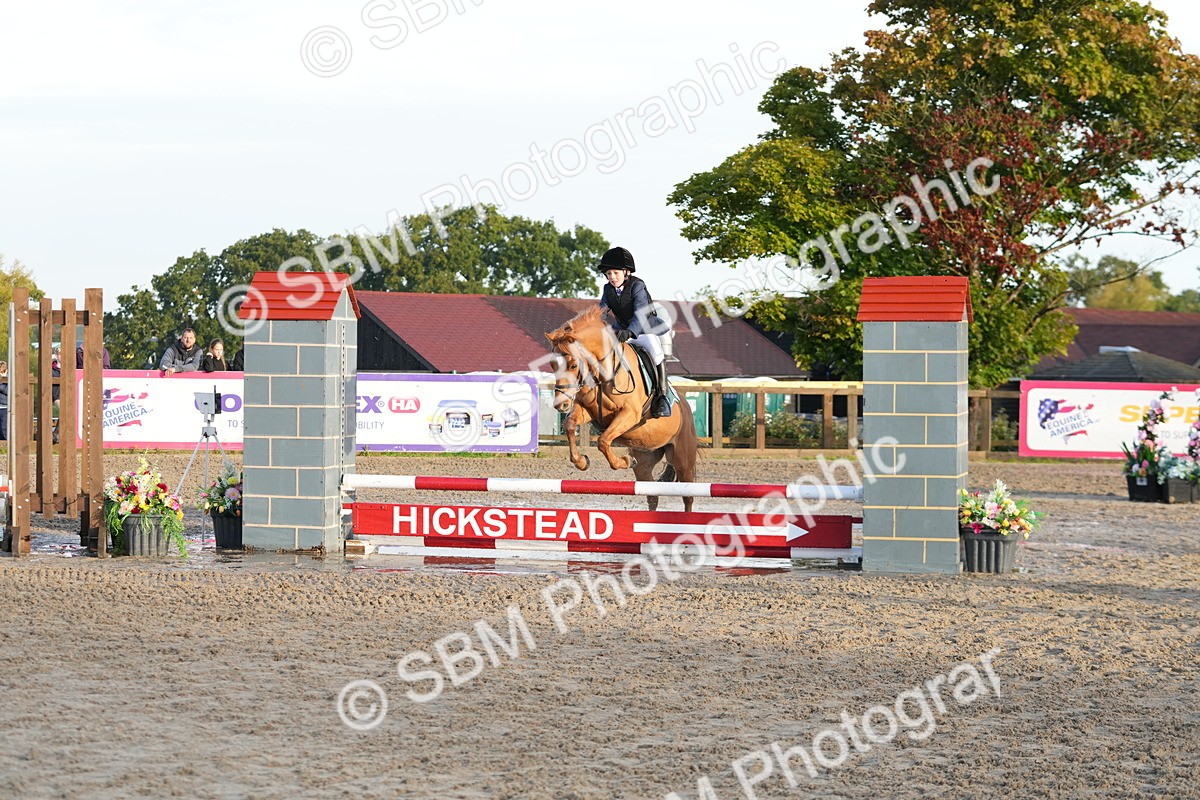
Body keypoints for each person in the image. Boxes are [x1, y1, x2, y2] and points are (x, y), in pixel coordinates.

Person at [596, 246, 672, 418]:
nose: (612, 277)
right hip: (622, 330)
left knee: (656, 352)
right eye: (608, 274)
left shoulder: (637, 285)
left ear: (626, 272)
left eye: (615, 273)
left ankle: (662, 397)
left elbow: (641, 313)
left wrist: (630, 332)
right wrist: (590, 324)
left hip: (645, 329)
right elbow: (601, 311)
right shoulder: (608, 289)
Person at [0, 361, 8, 441]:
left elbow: (7, 391)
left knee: (4, 428)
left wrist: (4, 379)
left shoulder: (8, 379)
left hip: (4, 406)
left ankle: (6, 446)